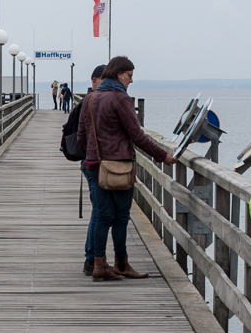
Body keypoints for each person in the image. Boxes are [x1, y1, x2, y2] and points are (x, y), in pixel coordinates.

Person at [76, 56, 177, 282]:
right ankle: (121, 263)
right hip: (118, 165)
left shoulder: (90, 98)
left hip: (93, 163)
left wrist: (95, 152)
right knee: (121, 216)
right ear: (119, 73)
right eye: (129, 75)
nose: (131, 80)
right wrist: (163, 156)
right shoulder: (121, 99)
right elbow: (137, 135)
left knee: (101, 215)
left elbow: (82, 136)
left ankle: (99, 265)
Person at [63, 65, 104, 275]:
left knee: (98, 212)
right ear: (94, 81)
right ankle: (92, 260)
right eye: (103, 80)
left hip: (90, 163)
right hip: (94, 164)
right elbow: (82, 136)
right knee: (99, 213)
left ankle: (93, 259)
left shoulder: (86, 102)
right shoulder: (89, 104)